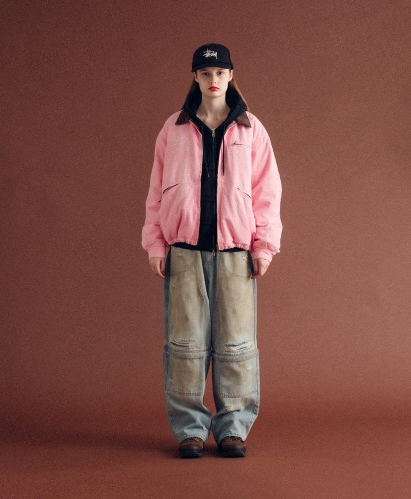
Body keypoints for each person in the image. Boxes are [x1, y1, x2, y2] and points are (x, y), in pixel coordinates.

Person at [142, 43, 282, 458]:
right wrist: (155, 242)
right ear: (196, 78)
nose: (213, 80)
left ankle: (233, 428)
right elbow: (156, 190)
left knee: (236, 343)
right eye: (206, 73)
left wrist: (263, 246)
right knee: (184, 344)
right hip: (183, 252)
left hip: (235, 253)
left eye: (220, 72)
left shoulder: (251, 129)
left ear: (231, 75)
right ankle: (189, 429)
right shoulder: (174, 128)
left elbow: (267, 190)